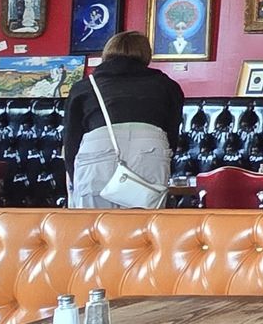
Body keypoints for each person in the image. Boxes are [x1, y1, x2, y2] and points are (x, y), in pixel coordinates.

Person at [63, 31, 184, 209]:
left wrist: (75, 177)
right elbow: (172, 134)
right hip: (150, 151)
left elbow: (71, 139)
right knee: (143, 229)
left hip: (97, 152)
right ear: (145, 54)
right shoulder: (167, 85)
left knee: (91, 227)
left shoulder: (85, 87)